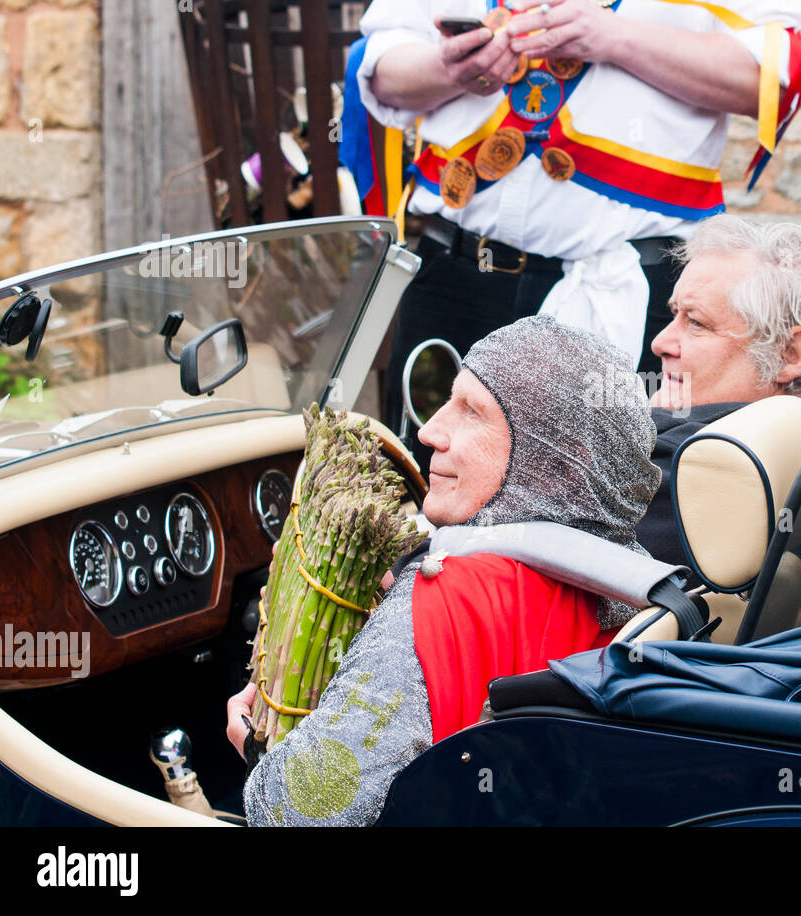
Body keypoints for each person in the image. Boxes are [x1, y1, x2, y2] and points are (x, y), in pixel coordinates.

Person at [226, 316, 664, 825]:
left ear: (559, 465)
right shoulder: (641, 583)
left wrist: (254, 748)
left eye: (472, 413)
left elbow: (298, 815)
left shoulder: (443, 600)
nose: (430, 430)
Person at [355, 0, 801, 434]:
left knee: (629, 496)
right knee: (424, 486)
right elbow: (378, 70)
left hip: (637, 291)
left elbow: (773, 81)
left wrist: (614, 37)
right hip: (458, 277)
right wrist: (447, 67)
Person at [634, 214, 801, 565]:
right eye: (674, 314)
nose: (660, 343)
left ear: (789, 355)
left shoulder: (688, 470)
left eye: (696, 322)